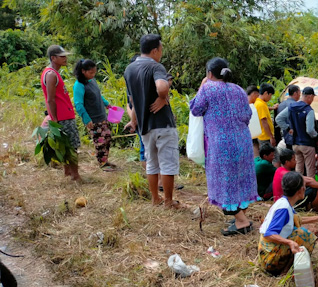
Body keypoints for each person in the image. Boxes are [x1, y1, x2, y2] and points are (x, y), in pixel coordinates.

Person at [189, 57, 258, 235]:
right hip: (243, 142)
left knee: (225, 183)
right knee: (240, 181)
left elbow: (196, 109)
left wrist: (201, 86)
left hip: (221, 145)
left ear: (209, 73)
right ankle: (240, 215)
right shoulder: (239, 90)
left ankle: (242, 221)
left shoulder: (208, 88)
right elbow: (247, 115)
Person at [124, 34, 182, 209]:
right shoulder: (156, 66)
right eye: (161, 50)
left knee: (151, 163)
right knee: (167, 163)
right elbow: (162, 87)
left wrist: (134, 121)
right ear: (155, 50)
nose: (161, 54)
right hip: (163, 123)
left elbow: (132, 101)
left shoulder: (129, 69)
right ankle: (169, 201)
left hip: (145, 126)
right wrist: (163, 98)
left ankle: (155, 199)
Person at [257, 171, 318, 276]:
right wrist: (290, 243)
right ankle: (287, 271)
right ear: (300, 190)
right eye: (304, 186)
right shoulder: (284, 209)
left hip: (268, 253)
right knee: (304, 235)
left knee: (298, 231)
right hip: (269, 259)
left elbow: (296, 219)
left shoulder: (284, 202)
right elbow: (269, 233)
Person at [41, 45, 80, 181]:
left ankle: (68, 172)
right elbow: (50, 99)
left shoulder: (52, 73)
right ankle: (75, 175)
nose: (65, 58)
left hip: (63, 114)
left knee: (66, 145)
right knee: (72, 146)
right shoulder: (51, 74)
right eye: (62, 56)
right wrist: (55, 119)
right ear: (53, 58)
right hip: (63, 116)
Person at [72, 59, 116, 171]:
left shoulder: (92, 81)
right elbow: (78, 104)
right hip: (93, 119)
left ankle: (105, 160)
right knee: (100, 141)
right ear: (83, 71)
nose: (93, 74)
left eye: (94, 72)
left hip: (102, 115)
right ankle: (102, 163)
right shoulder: (79, 85)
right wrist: (86, 119)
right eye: (91, 72)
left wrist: (107, 104)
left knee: (107, 138)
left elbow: (98, 95)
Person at [276, 87, 318, 177]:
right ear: (309, 97)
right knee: (310, 170)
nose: (312, 100)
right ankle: (309, 190)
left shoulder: (291, 107)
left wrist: (288, 129)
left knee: (299, 169)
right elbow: (310, 130)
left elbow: (278, 119)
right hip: (307, 144)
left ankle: (297, 187)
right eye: (313, 98)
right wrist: (316, 136)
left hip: (295, 144)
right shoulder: (309, 110)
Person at [276, 85, 300, 149]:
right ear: (295, 93)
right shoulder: (295, 105)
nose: (300, 96)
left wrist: (286, 128)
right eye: (299, 93)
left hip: (285, 137)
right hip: (295, 138)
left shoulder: (281, 105)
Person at [255, 83, 277, 148]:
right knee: (273, 157)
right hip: (265, 137)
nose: (270, 98)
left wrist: (273, 108)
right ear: (266, 93)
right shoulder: (261, 105)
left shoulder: (259, 102)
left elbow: (265, 109)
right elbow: (264, 121)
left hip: (263, 136)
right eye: (270, 95)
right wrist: (271, 137)